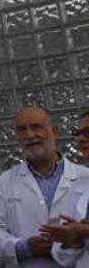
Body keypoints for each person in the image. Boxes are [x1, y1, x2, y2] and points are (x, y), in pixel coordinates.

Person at [0, 107, 89, 267]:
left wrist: (75, 237)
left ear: (54, 131)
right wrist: (24, 248)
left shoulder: (83, 177)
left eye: (36, 127)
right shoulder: (5, 182)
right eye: (22, 130)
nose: (30, 135)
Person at [42, 110, 89, 266]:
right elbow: (62, 258)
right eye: (79, 133)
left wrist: (85, 232)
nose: (81, 139)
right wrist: (72, 242)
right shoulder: (78, 188)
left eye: (87, 133)